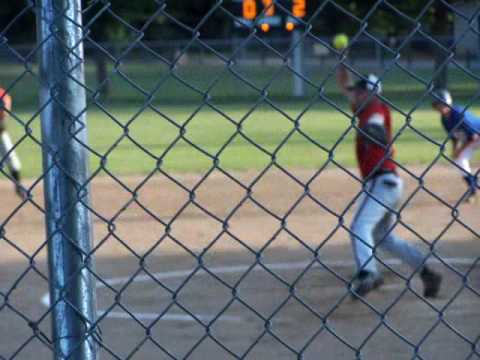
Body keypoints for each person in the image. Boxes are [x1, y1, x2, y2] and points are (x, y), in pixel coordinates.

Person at [335, 65, 442, 299]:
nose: (356, 94)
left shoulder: (374, 108)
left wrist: (374, 133)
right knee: (385, 237)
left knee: (359, 227)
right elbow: (345, 87)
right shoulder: (364, 109)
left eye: (360, 91)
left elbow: (375, 125)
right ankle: (426, 272)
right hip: (388, 182)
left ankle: (368, 273)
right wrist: (342, 61)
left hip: (380, 181)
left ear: (371, 93)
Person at [431, 89, 480, 203]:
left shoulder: (458, 114)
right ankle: (472, 187)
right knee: (459, 160)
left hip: (475, 136)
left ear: (447, 103)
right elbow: (454, 136)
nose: (439, 107)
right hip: (472, 139)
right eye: (437, 104)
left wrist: (460, 149)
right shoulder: (444, 119)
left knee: (460, 155)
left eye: (440, 104)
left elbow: (473, 136)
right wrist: (455, 150)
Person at [0, 87, 26, 200]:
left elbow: (5, 111)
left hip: (0, 132)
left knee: (12, 160)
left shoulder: (2, 94)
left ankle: (19, 187)